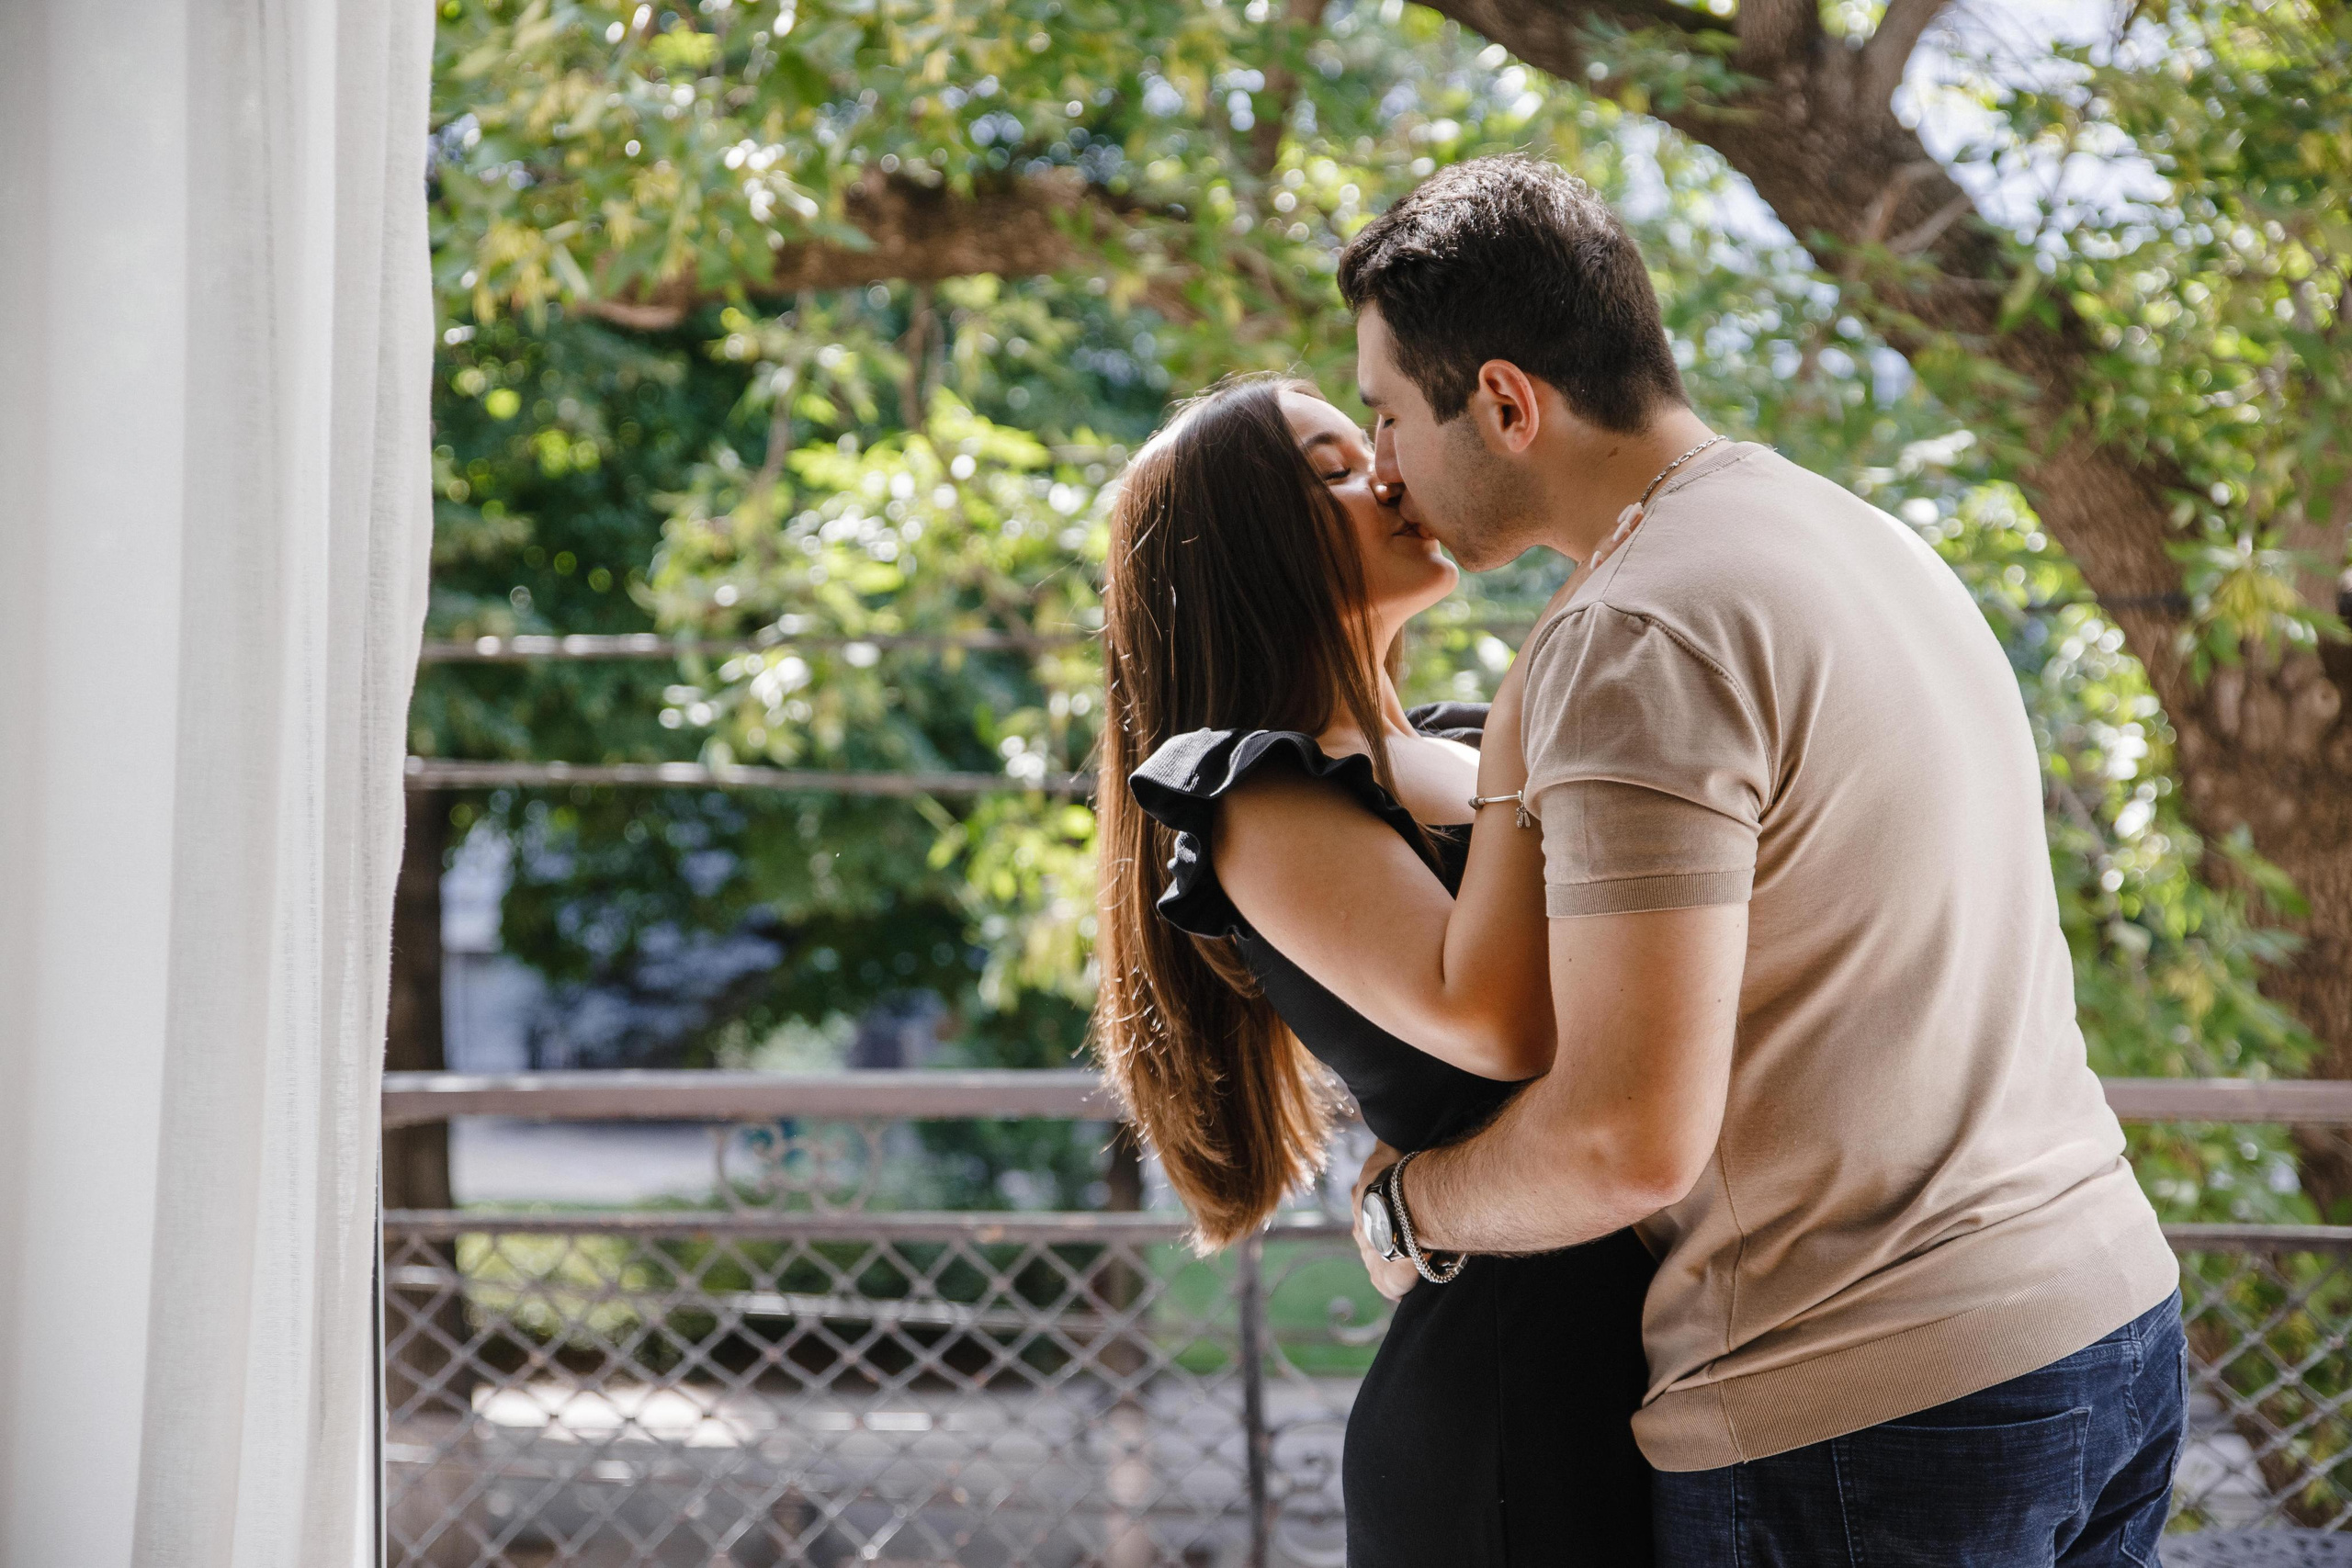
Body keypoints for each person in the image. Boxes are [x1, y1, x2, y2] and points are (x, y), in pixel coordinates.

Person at [1338, 153, 2187, 1565]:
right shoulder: (1861, 538)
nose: (1381, 465)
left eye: (1386, 414)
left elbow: (1626, 1140)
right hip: (2106, 1322)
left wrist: (1406, 1209)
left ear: (1503, 402)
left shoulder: (1635, 633)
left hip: (1870, 1410)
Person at [1091, 373, 1657, 1564]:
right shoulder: (1256, 793)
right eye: (1335, 471)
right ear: (1250, 547)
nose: (1390, 476)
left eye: (1374, 449)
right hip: (1513, 1413)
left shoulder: (1452, 741)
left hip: (1652, 1352)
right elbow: (1500, 1022)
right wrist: (1539, 697)